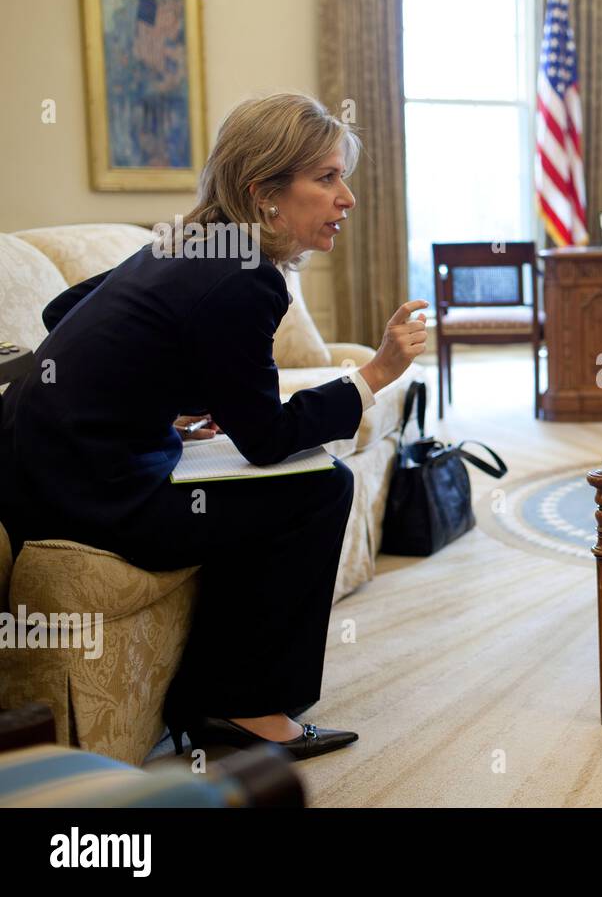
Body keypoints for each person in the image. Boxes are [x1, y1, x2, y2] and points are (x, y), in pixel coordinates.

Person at [0, 93, 428, 760]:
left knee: (274, 486)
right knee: (320, 487)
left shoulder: (187, 241)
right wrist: (374, 373)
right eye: (326, 178)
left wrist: (165, 404)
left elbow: (64, 311)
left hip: (43, 469)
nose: (346, 197)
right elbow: (267, 441)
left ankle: (218, 690)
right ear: (264, 193)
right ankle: (246, 709)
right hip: (95, 497)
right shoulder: (244, 278)